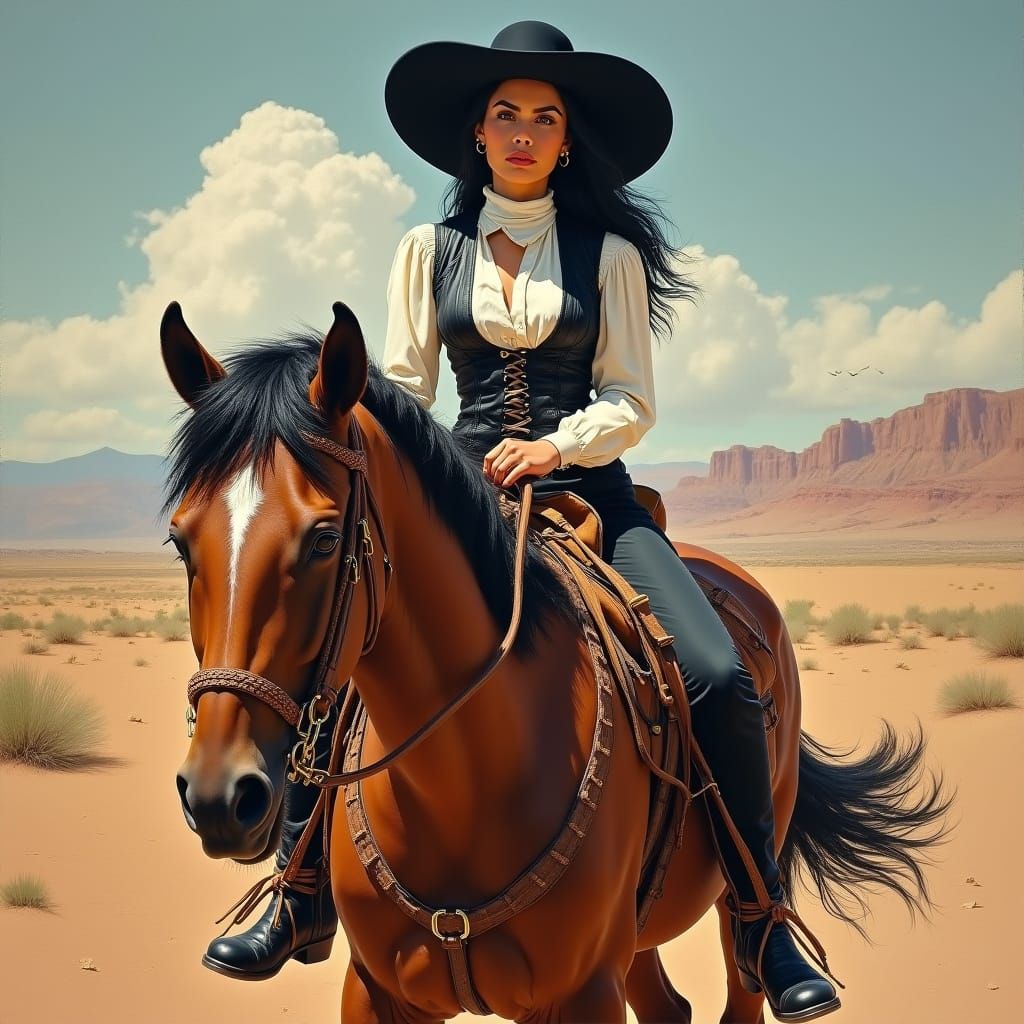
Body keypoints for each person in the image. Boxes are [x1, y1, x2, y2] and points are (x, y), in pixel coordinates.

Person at [204, 20, 841, 1022]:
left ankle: (762, 916)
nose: (522, 132)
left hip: (590, 490)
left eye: (544, 117)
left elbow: (633, 398)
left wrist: (557, 445)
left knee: (716, 671)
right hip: (456, 492)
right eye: (505, 113)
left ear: (567, 141)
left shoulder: (609, 254)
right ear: (477, 132)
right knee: (345, 652)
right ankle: (294, 889)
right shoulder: (429, 249)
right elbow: (402, 384)